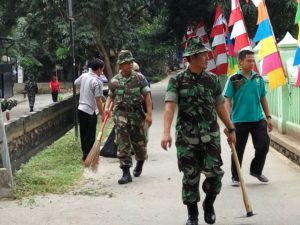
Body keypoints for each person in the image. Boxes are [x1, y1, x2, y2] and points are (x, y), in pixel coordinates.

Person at [160, 36, 236, 225]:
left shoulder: (212, 80)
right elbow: (170, 107)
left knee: (215, 174)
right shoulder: (177, 81)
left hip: (210, 136)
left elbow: (220, 107)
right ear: (192, 58)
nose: (206, 58)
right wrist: (166, 132)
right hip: (187, 138)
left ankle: (208, 204)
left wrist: (231, 128)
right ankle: (192, 215)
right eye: (203, 55)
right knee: (190, 177)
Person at [223, 49, 273, 187]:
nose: (252, 63)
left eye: (253, 60)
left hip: (257, 119)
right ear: (240, 62)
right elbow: (227, 100)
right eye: (249, 60)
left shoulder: (258, 78)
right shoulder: (234, 79)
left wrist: (268, 117)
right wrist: (228, 122)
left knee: (263, 144)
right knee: (238, 149)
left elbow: (263, 97)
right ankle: (236, 177)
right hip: (239, 120)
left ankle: (256, 171)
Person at [105, 50, 152, 185]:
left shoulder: (139, 78)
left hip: (137, 114)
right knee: (122, 142)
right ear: (120, 65)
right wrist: (107, 107)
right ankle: (126, 172)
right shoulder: (114, 81)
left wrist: (149, 114)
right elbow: (111, 96)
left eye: (131, 62)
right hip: (121, 114)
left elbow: (147, 97)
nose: (130, 65)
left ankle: (140, 161)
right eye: (126, 63)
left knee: (140, 144)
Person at [74, 58, 105, 161]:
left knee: (83, 133)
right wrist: (102, 113)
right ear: (99, 69)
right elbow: (98, 100)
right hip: (90, 111)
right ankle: (89, 156)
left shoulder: (84, 76)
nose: (102, 72)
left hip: (81, 108)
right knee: (90, 134)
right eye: (102, 69)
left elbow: (75, 82)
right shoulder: (97, 82)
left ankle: (85, 154)